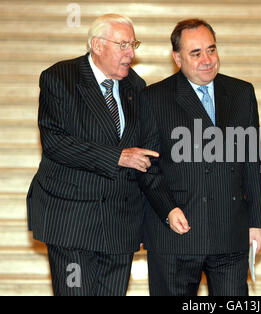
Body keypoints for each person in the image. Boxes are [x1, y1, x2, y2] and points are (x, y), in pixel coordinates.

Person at [27, 14, 174, 296]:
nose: (131, 53)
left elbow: (147, 157)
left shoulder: (136, 87)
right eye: (123, 45)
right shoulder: (60, 78)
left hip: (120, 225)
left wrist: (168, 207)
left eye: (133, 44)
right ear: (97, 45)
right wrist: (117, 156)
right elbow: (55, 142)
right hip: (72, 223)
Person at [138, 19, 261, 296]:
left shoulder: (241, 93)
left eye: (211, 50)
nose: (207, 60)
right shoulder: (154, 98)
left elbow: (252, 161)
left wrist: (257, 221)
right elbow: (147, 165)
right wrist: (168, 209)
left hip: (229, 232)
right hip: (176, 235)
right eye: (195, 53)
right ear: (177, 58)